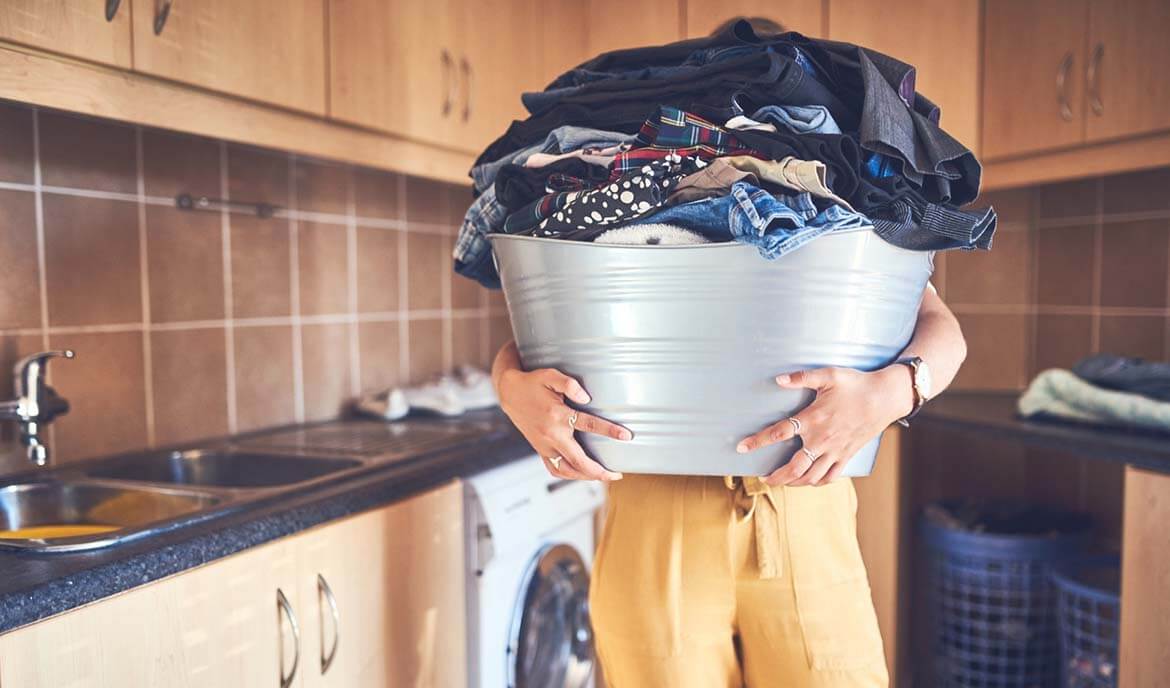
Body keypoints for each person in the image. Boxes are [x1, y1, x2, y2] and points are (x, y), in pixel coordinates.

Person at [490, 280, 966, 687]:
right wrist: (507, 383)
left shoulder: (843, 185)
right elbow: (541, 314)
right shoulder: (617, 176)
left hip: (807, 511)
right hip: (656, 516)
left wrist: (897, 390)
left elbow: (939, 324)